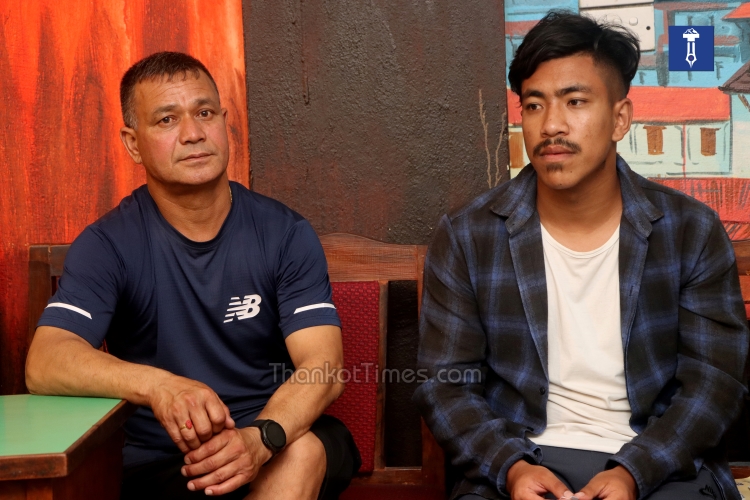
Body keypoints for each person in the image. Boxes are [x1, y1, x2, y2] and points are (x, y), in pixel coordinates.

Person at [413, 11, 748, 500]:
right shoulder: (469, 235)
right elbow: (445, 385)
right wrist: (511, 468)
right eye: (534, 105)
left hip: (657, 463)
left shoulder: (689, 230)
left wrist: (632, 472)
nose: (551, 125)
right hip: (521, 459)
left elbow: (715, 383)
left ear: (620, 119)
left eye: (575, 101)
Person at [25, 51, 360, 499]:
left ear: (225, 122)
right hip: (161, 460)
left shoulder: (284, 234)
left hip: (272, 434)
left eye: (204, 113)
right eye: (167, 120)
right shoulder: (108, 243)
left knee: (304, 452)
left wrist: (260, 439)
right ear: (133, 143)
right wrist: (160, 386)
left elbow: (324, 368)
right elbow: (44, 362)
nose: (193, 134)